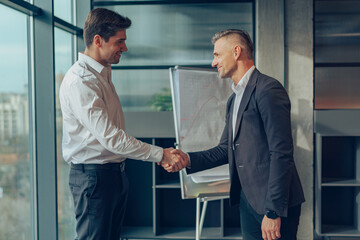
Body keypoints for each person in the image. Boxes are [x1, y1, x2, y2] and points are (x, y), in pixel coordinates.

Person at [59, 8, 184, 240]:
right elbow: (112, 138)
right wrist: (161, 155)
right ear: (98, 40)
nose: (124, 48)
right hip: (94, 179)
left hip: (112, 174)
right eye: (120, 41)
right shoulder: (81, 81)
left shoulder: (101, 73)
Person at [170, 29, 305, 240]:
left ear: (236, 52)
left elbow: (281, 153)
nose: (213, 62)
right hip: (248, 201)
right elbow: (226, 149)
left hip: (272, 204)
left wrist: (273, 211)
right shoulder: (234, 99)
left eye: (217, 55)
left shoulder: (268, 89)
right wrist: (187, 159)